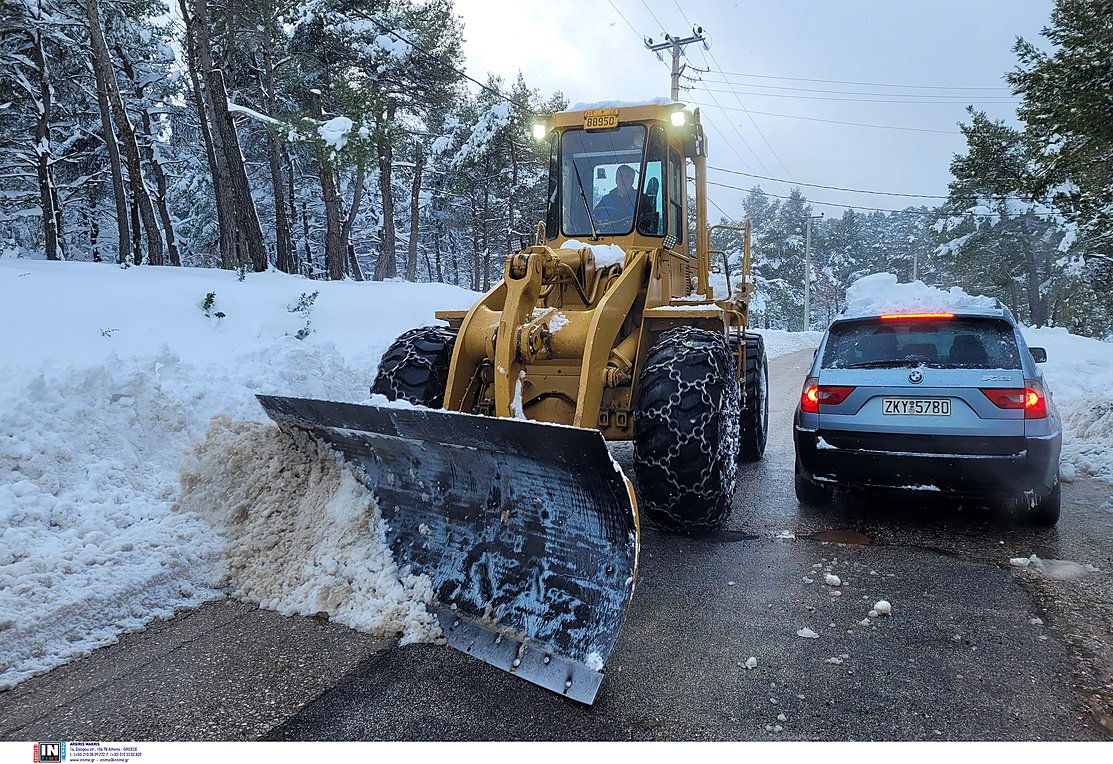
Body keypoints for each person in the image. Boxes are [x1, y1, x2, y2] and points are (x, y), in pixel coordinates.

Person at [593, 164, 638, 230]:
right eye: (621, 176)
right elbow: (593, 219)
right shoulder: (605, 200)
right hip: (607, 235)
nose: (623, 179)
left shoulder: (641, 199)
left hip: (634, 235)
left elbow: (650, 219)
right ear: (616, 179)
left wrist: (638, 223)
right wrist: (600, 223)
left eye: (627, 177)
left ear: (633, 181)